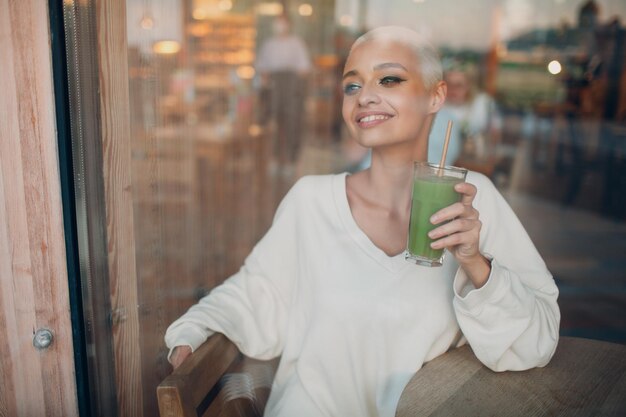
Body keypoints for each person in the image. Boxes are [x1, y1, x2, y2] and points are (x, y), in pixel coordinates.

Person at [165, 26, 560, 417]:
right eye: (352, 86)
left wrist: (476, 264)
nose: (365, 96)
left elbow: (535, 343)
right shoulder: (311, 201)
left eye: (389, 79)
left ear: (436, 96)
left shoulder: (474, 201)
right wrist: (192, 332)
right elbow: (256, 294)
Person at [255, 16, 312, 169]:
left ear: (289, 24)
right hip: (274, 86)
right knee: (273, 122)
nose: (280, 26)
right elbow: (263, 68)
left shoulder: (296, 43)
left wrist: (293, 84)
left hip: (292, 86)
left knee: (292, 122)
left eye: (283, 22)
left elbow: (304, 69)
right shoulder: (269, 44)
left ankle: (291, 159)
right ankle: (274, 157)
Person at [428, 64, 502, 168]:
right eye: (449, 84)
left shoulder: (483, 104)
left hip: (475, 161)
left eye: (459, 85)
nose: (453, 89)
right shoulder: (436, 105)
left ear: (469, 86)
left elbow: (495, 134)